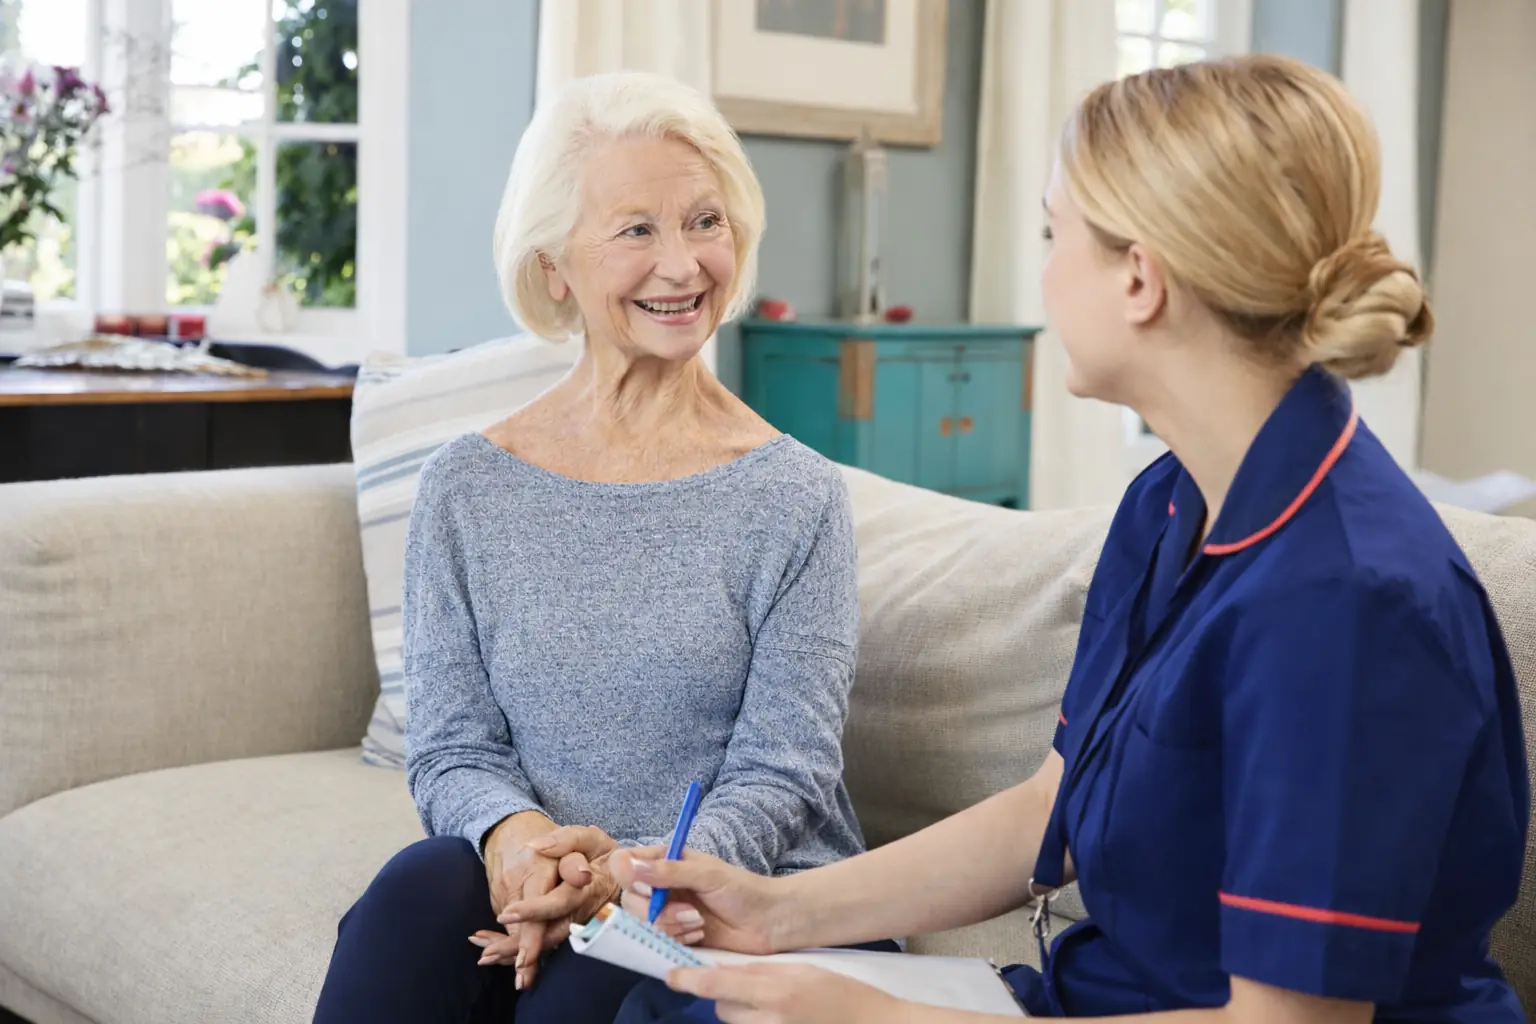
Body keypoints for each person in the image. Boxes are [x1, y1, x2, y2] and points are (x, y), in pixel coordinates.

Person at [511, 54, 1532, 1023]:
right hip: (1084, 997)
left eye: (1055, 236)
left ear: (1141, 279)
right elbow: (1051, 810)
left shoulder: (1347, 605)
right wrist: (776, 910)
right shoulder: (1173, 503)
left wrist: (885, 1015)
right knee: (676, 1001)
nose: (1042, 277)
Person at [312, 70, 886, 1024]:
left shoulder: (794, 496)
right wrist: (519, 844)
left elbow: (785, 773)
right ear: (555, 271)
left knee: (570, 997)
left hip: (731, 881)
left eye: (705, 222)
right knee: (411, 899)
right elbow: (453, 744)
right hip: (548, 869)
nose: (683, 265)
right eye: (636, 231)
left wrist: (622, 876)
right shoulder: (468, 487)